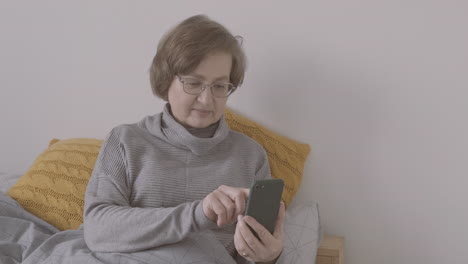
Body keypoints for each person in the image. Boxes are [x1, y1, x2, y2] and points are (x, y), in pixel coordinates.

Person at [83, 14, 285, 264]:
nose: (207, 99)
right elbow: (98, 230)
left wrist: (270, 257)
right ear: (165, 80)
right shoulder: (126, 141)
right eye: (193, 83)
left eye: (220, 86)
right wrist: (198, 214)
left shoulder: (250, 155)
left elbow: (254, 251)